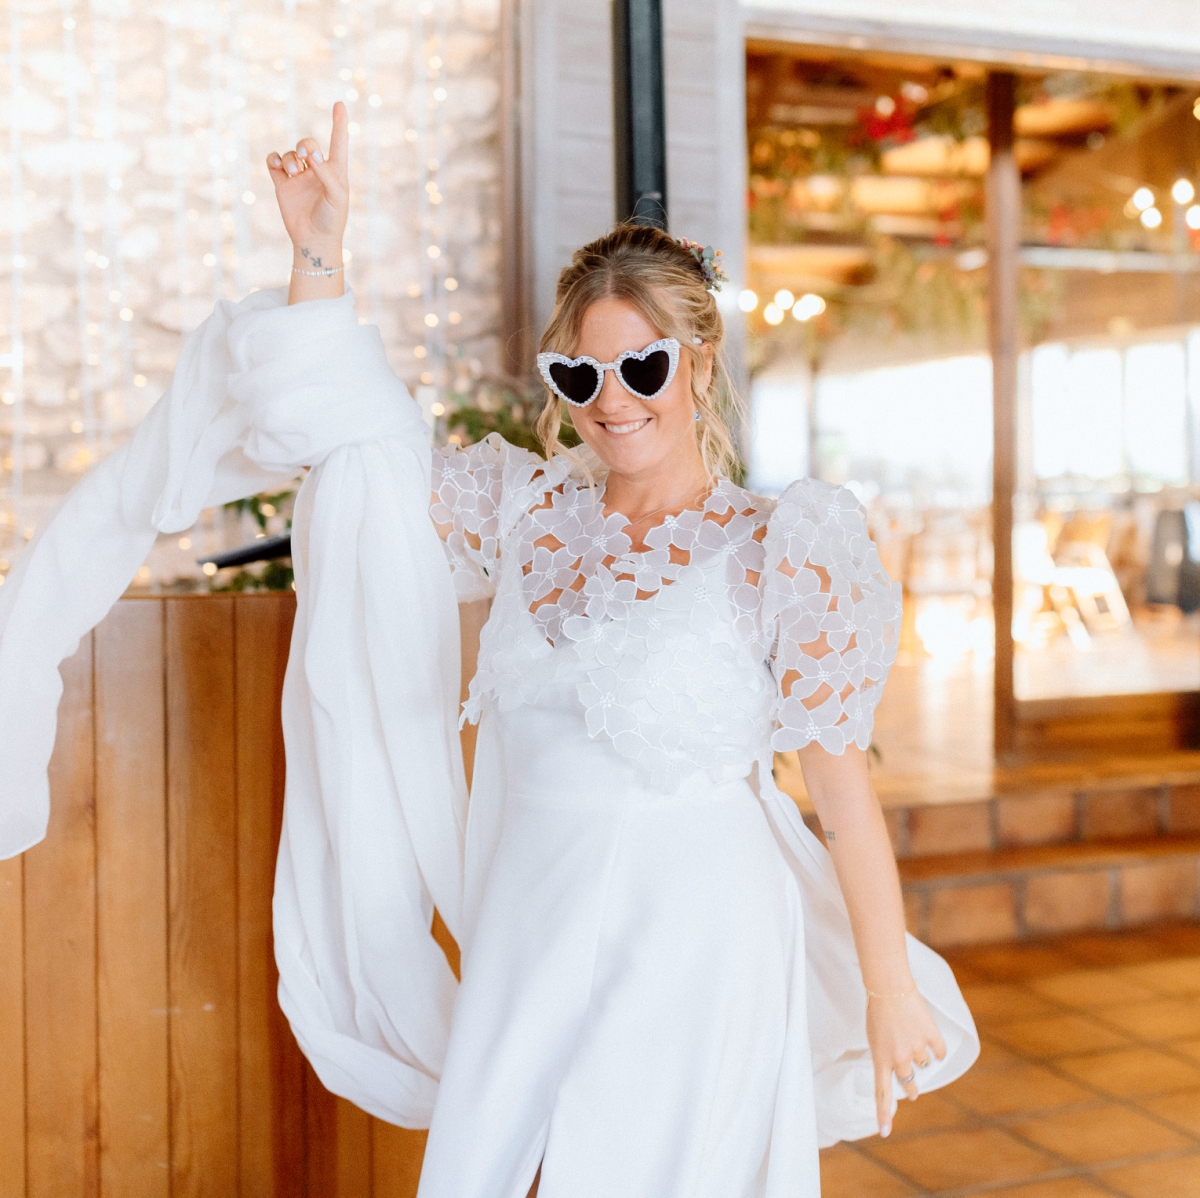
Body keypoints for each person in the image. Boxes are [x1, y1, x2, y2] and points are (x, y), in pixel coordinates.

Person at [0, 104, 976, 1196]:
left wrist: (888, 986)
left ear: (698, 365)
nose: (613, 403)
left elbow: (840, 792)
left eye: (642, 369)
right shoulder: (527, 512)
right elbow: (362, 447)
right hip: (531, 907)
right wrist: (319, 253)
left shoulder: (779, 544)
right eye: (581, 377)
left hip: (702, 924)